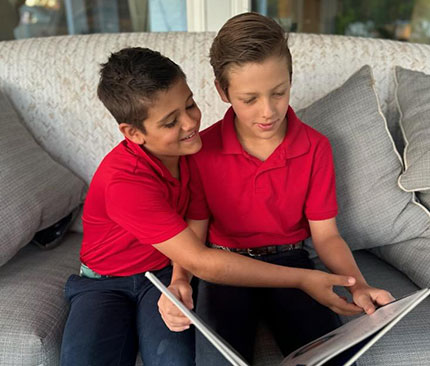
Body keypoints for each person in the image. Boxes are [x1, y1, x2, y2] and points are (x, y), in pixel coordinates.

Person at [59, 47, 363, 366]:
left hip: (165, 271)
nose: (190, 123)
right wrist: (301, 278)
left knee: (177, 360)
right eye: (170, 121)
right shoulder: (125, 183)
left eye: (190, 104)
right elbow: (202, 259)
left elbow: (194, 225)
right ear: (133, 133)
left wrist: (178, 279)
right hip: (106, 282)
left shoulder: (193, 152)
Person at [158, 12, 394, 365]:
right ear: (223, 91)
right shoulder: (201, 151)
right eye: (249, 99)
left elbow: (327, 235)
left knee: (332, 358)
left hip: (293, 262)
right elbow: (196, 227)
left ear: (290, 80)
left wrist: (357, 284)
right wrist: (180, 279)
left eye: (279, 93)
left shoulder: (316, 147)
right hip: (226, 268)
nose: (268, 111)